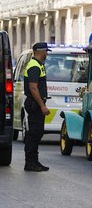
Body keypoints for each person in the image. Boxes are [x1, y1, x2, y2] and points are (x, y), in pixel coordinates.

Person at [23, 42, 51, 172]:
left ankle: (34, 161)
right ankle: (30, 163)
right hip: (35, 104)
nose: (46, 54)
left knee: (37, 133)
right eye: (46, 51)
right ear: (40, 52)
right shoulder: (34, 66)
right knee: (34, 134)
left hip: (36, 104)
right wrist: (42, 106)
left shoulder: (38, 65)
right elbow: (33, 88)